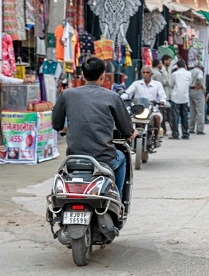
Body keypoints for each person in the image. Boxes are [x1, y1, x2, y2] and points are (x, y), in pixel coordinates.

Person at [52, 57, 134, 194]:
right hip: (105, 159)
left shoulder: (67, 94)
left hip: (74, 158)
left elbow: (56, 124)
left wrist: (64, 129)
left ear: (83, 75)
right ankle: (118, 200)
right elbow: (126, 129)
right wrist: (131, 133)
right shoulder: (112, 97)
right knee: (122, 157)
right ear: (103, 76)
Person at [121, 65, 166, 136]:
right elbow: (127, 93)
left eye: (147, 72)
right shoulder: (136, 84)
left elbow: (162, 96)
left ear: (151, 74)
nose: (145, 74)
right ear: (141, 74)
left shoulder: (157, 85)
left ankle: (156, 138)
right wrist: (121, 98)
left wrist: (162, 101)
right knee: (125, 117)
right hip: (137, 111)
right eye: (144, 72)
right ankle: (128, 137)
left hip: (152, 111)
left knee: (157, 117)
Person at [170, 59, 191, 139]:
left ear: (177, 66)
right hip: (185, 97)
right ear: (185, 65)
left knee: (175, 116)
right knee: (184, 116)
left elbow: (171, 84)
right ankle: (185, 133)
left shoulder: (174, 74)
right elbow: (190, 83)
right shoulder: (189, 73)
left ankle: (175, 134)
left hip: (176, 97)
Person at [152, 56, 173, 136]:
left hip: (166, 94)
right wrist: (168, 82)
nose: (170, 62)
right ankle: (162, 130)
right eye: (168, 60)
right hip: (160, 96)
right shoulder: (159, 72)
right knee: (162, 114)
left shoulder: (168, 70)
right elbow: (160, 84)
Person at [188, 62, 206, 135]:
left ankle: (191, 128)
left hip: (190, 90)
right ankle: (200, 129)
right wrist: (202, 86)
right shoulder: (199, 71)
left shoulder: (190, 71)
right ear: (200, 66)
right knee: (200, 111)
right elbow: (199, 78)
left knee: (192, 111)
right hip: (198, 90)